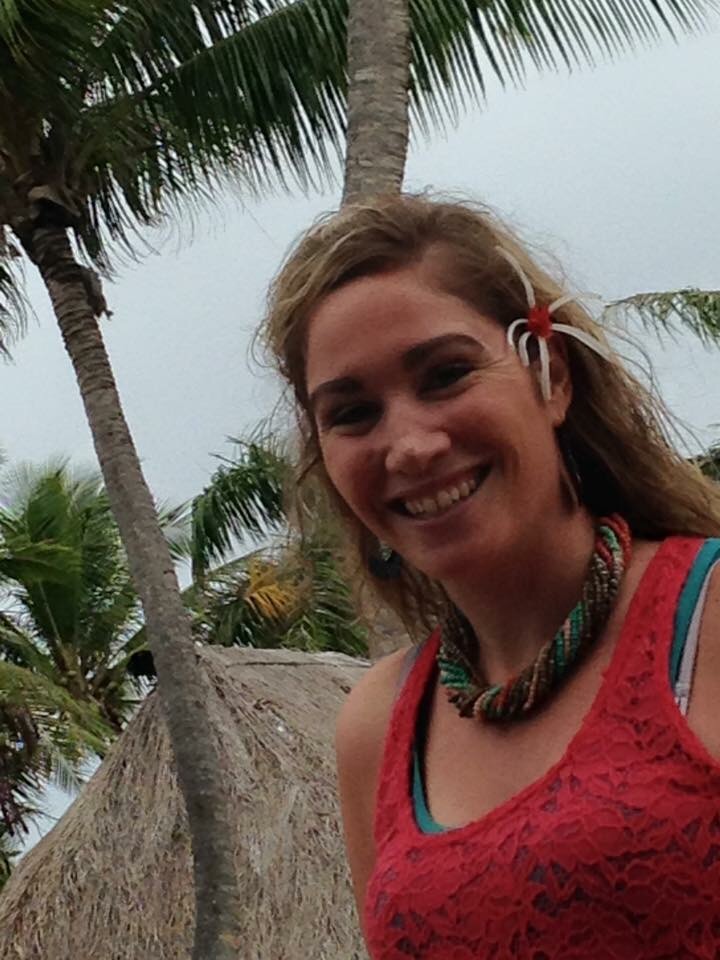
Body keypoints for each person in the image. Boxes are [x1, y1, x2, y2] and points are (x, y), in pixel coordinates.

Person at [262, 193, 720, 958]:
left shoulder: (706, 618)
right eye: (353, 413)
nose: (410, 446)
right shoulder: (379, 726)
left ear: (552, 376)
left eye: (446, 375)